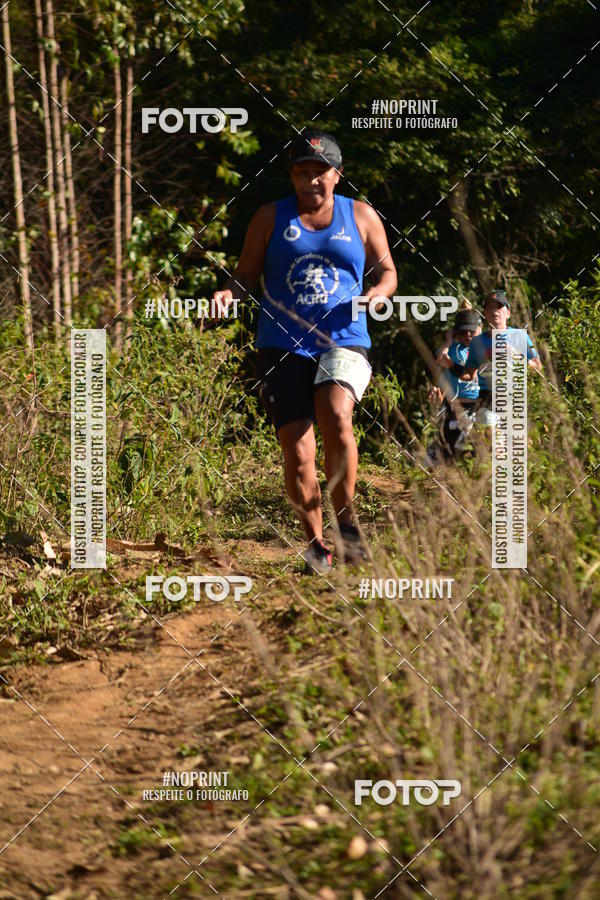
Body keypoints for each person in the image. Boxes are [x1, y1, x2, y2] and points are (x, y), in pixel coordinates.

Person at [211, 130, 397, 573]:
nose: (311, 180)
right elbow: (245, 274)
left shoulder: (361, 215)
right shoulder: (269, 217)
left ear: (337, 174)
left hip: (344, 337)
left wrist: (377, 294)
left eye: (320, 172)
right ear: (292, 176)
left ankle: (346, 525)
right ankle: (317, 546)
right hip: (281, 344)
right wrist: (228, 294)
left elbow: (388, 272)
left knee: (335, 414)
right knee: (298, 454)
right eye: (302, 172)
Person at [460, 290, 542, 414]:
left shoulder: (520, 336)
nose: (494, 311)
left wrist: (516, 357)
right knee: (487, 422)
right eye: (490, 307)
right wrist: (449, 364)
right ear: (485, 313)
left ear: (508, 313)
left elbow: (538, 366)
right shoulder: (476, 342)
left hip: (515, 396)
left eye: (499, 306)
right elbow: (469, 374)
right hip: (487, 398)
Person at [425, 307, 482, 466]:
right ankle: (436, 459)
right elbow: (439, 358)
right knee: (452, 443)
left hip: (478, 404)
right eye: (463, 332)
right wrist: (449, 341)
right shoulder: (455, 349)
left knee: (471, 444)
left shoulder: (483, 348)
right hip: (457, 404)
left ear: (479, 328)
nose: (468, 335)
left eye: (471, 331)